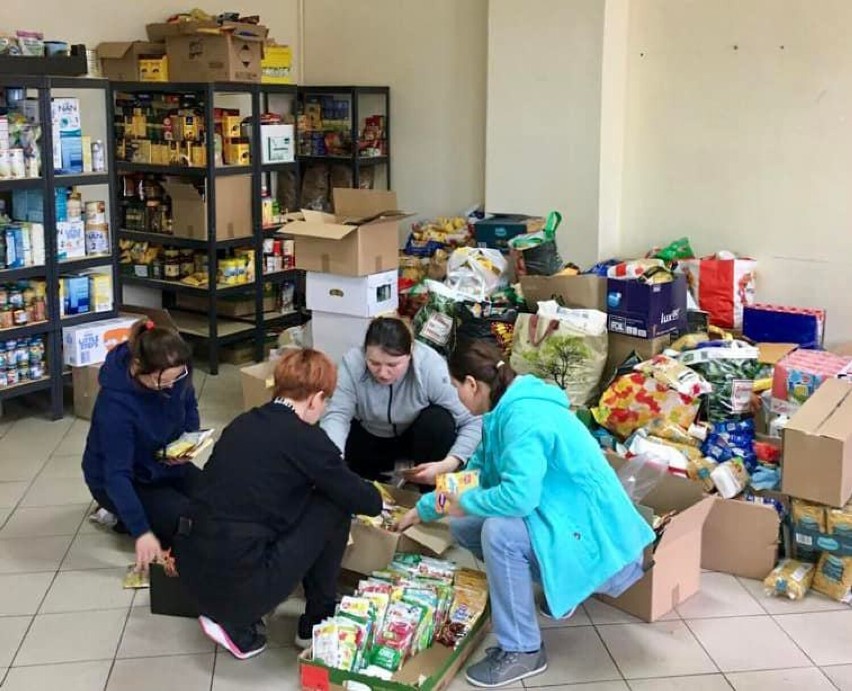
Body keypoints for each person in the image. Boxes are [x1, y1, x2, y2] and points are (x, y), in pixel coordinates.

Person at [396, 342, 655, 689]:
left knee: (499, 532)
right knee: (467, 526)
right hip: (565, 521)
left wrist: (464, 502)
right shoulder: (502, 410)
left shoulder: (524, 418)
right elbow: (481, 473)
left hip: (599, 542)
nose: (455, 396)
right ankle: (555, 586)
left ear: (472, 384)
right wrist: (423, 507)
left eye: (455, 386)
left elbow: (518, 499)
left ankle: (523, 649)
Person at [173, 349, 383, 661]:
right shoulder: (307, 439)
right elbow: (368, 501)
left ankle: (231, 608)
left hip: (193, 565)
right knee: (334, 505)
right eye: (325, 403)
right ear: (315, 399)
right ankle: (315, 620)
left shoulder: (243, 423)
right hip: (240, 581)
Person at [82, 319, 200, 573]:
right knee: (188, 522)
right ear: (138, 368)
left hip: (165, 460)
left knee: (217, 499)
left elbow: (189, 405)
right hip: (124, 478)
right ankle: (121, 515)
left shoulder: (176, 372)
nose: (171, 385)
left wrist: (187, 443)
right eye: (163, 382)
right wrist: (142, 532)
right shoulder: (115, 406)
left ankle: (129, 514)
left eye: (176, 378)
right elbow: (116, 476)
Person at [321, 317, 481, 483]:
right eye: (374, 363)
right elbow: (337, 415)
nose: (383, 373)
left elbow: (472, 421)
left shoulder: (430, 366)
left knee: (439, 422)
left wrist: (450, 462)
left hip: (413, 439)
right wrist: (333, 460)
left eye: (393, 365)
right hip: (369, 436)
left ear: (410, 354)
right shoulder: (353, 362)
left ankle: (427, 491)